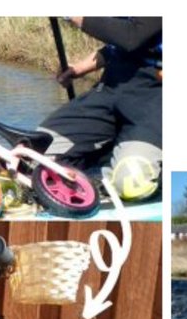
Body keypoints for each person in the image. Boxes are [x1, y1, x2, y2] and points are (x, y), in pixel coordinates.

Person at [36, 17, 162, 202]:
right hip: (111, 88)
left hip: (155, 100)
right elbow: (119, 46)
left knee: (130, 182)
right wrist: (78, 69)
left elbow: (132, 36)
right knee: (37, 151)